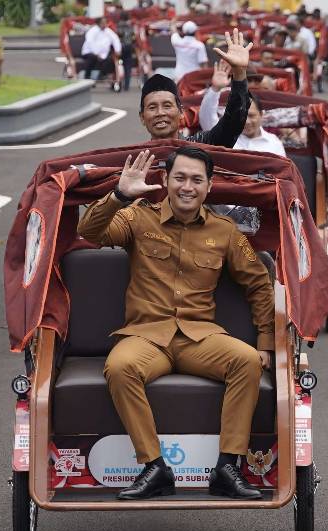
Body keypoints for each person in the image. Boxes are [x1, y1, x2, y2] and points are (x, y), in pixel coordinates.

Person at [77, 147, 274, 501]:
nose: (187, 187)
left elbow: (259, 283)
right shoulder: (139, 216)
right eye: (180, 178)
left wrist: (266, 342)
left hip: (199, 338)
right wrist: (120, 195)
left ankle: (227, 468)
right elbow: (91, 231)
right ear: (165, 179)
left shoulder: (225, 231)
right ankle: (155, 468)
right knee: (120, 367)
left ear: (209, 186)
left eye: (197, 180)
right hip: (147, 336)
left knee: (246, 361)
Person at [140, 28, 250, 145]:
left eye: (167, 106)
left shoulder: (199, 145)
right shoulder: (134, 155)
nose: (160, 113)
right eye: (152, 107)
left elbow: (230, 128)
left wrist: (239, 73)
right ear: (142, 117)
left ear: (181, 112)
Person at [199, 67, 286, 158]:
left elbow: (282, 167)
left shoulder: (274, 143)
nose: (246, 121)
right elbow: (206, 117)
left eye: (251, 116)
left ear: (261, 115)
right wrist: (215, 89)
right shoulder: (224, 135)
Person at [116, 12, 136, 90]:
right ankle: (127, 85)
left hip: (120, 48)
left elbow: (118, 35)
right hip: (129, 47)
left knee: (118, 65)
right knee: (128, 66)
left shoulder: (118, 25)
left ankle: (118, 83)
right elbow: (133, 37)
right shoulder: (130, 26)